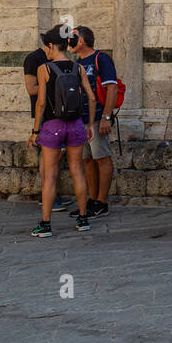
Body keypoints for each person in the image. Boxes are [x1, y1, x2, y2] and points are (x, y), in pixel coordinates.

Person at [28, 28, 96, 237]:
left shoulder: (44, 69)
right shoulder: (78, 67)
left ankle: (46, 224)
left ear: (50, 46)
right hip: (76, 125)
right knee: (77, 171)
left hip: (52, 126)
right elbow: (91, 98)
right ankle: (83, 219)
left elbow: (40, 103)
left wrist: (35, 131)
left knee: (50, 175)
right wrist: (90, 124)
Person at [69, 25, 118, 219]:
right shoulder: (76, 63)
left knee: (102, 158)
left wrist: (107, 117)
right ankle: (92, 199)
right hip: (81, 120)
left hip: (98, 119)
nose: (68, 43)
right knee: (87, 160)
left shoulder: (101, 59)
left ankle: (102, 202)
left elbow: (112, 88)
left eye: (72, 39)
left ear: (81, 41)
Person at [24, 37, 70, 214]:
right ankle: (47, 198)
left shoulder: (56, 60)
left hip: (60, 113)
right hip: (45, 115)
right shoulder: (34, 59)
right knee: (48, 157)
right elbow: (31, 88)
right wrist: (52, 86)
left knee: (56, 156)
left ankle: (52, 195)